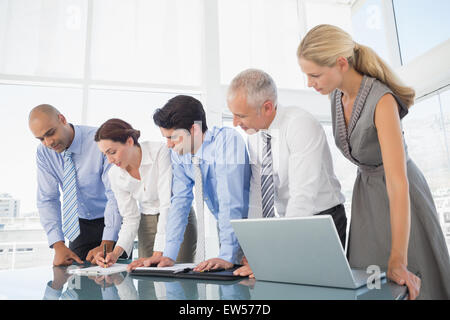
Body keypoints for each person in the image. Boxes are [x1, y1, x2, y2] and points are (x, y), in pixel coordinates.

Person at [297, 24, 450, 300]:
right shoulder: (336, 96)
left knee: (411, 279)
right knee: (367, 281)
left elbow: (397, 181)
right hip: (366, 195)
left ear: (341, 63)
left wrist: (398, 258)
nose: (310, 83)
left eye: (314, 74)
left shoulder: (382, 100)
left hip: (401, 196)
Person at [227, 68, 347, 279]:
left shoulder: (300, 124)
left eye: (241, 115)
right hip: (289, 221)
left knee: (319, 289)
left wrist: (277, 256)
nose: (235, 123)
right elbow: (258, 194)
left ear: (267, 107)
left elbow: (302, 196)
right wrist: (256, 250)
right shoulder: (254, 136)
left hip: (320, 221)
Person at [128, 95, 251, 272]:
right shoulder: (181, 154)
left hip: (252, 226)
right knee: (231, 282)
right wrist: (168, 254)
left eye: (172, 137)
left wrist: (226, 255)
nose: (168, 145)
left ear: (193, 129)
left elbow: (229, 200)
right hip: (226, 226)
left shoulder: (226, 141)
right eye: (166, 138)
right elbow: (180, 202)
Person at [93, 118, 196, 267]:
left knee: (177, 276)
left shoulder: (160, 151)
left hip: (176, 217)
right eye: (105, 155)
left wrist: (158, 252)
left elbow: (167, 202)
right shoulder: (114, 175)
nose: (110, 160)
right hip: (146, 221)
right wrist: (115, 253)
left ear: (129, 142)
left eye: (112, 152)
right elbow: (130, 217)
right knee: (147, 282)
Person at [28, 104, 122, 266]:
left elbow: (116, 195)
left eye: (50, 133)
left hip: (114, 218)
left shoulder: (99, 141)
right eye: (41, 139)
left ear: (62, 119)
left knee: (114, 279)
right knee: (77, 282)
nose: (48, 142)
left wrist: (106, 243)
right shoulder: (44, 153)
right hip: (79, 224)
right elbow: (47, 199)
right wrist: (58, 245)